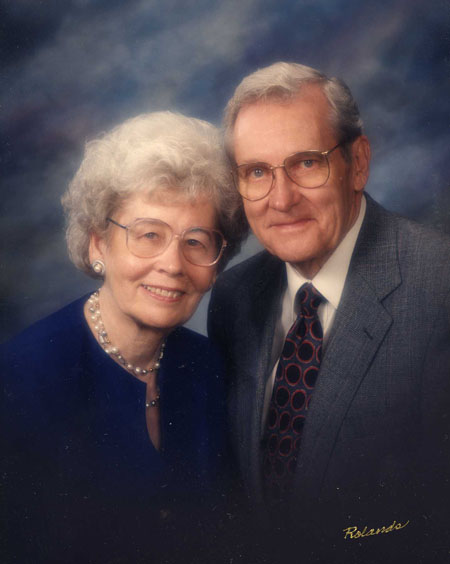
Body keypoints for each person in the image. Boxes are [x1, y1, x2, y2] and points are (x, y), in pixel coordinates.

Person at [208, 62, 450, 562]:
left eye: (306, 163)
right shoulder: (234, 295)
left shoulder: (440, 287)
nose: (281, 199)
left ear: (357, 163)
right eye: (257, 172)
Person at [0, 111, 248, 564]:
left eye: (196, 242)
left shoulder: (208, 365)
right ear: (98, 244)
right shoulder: (20, 379)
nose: (172, 264)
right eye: (149, 235)